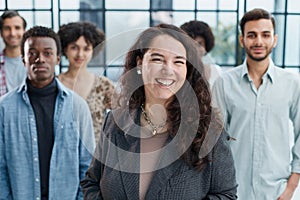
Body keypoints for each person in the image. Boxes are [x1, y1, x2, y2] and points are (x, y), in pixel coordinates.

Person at [80, 23, 237, 199]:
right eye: (157, 59)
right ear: (140, 64)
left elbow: (226, 195)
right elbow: (91, 182)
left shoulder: (208, 130)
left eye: (178, 61)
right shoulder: (115, 122)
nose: (168, 69)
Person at [212, 8, 300, 200]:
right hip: (234, 191)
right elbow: (215, 140)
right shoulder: (224, 83)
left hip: (277, 193)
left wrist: (291, 188)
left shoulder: (293, 83)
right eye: (251, 35)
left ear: (274, 39)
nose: (259, 41)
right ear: (242, 40)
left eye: (265, 35)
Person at [0, 26, 95, 200]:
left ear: (58, 59)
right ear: (23, 59)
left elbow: (87, 166)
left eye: (48, 53)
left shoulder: (78, 106)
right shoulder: (4, 108)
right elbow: (0, 167)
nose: (40, 59)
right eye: (32, 53)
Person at [57, 21, 115, 144]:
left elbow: (124, 119)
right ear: (65, 49)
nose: (80, 54)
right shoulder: (54, 85)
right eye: (74, 47)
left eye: (86, 48)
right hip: (62, 155)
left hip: (96, 157)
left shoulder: (103, 85)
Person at [180, 20, 222, 88]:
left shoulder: (216, 71)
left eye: (200, 44)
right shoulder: (177, 72)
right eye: (191, 44)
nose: (195, 49)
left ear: (206, 46)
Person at [0, 10, 26, 96]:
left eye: (17, 28)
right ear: (1, 33)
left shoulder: (35, 62)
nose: (12, 33)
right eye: (7, 28)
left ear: (24, 31)